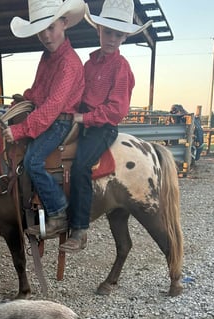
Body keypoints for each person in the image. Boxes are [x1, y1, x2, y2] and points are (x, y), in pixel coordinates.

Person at [60, 0, 152, 252]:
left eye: (118, 35)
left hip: (102, 126)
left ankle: (80, 229)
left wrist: (84, 118)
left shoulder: (121, 68)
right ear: (99, 30)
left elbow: (116, 109)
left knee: (80, 166)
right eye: (108, 32)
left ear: (124, 37)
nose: (112, 39)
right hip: (81, 120)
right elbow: (76, 93)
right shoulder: (89, 64)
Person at [3, 0, 86, 238]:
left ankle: (58, 213)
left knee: (33, 161)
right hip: (46, 115)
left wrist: (20, 130)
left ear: (64, 23)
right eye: (41, 30)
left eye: (51, 27)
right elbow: (38, 91)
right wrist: (20, 103)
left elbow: (52, 106)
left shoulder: (69, 63)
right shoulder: (47, 56)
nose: (46, 36)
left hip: (60, 121)